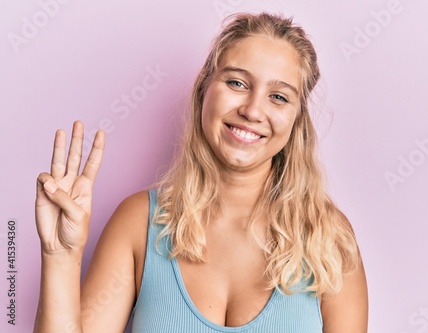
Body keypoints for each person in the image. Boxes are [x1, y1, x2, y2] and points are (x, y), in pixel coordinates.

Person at [34, 12, 368, 333]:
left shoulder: (329, 239)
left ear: (297, 122)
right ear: (203, 90)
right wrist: (60, 256)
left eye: (278, 97)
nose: (252, 110)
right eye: (237, 82)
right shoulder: (138, 223)